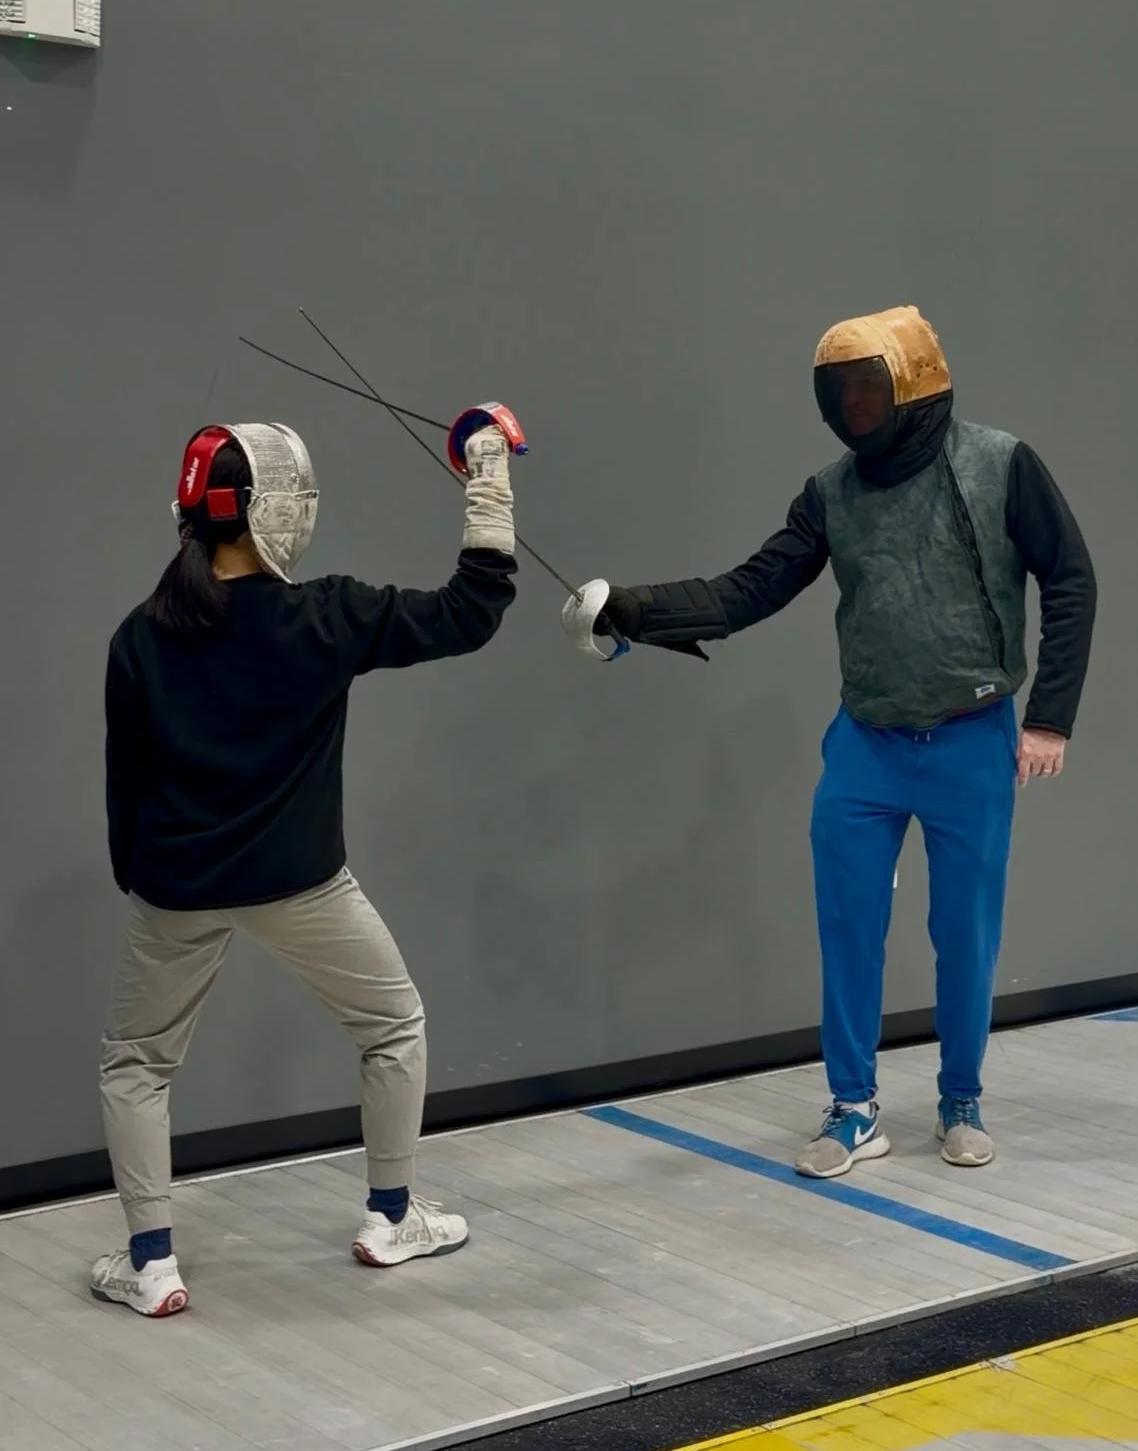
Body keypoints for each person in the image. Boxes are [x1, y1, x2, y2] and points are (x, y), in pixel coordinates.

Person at [564, 305, 1096, 1180]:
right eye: (840, 393)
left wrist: (1050, 717)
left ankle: (961, 1098)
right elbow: (749, 589)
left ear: (912, 387)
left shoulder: (1001, 463)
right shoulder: (831, 493)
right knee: (848, 923)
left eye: (866, 390)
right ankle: (853, 1107)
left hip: (972, 739)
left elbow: (1070, 577)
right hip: (866, 743)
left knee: (965, 932)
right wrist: (633, 607)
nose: (853, 407)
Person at [95, 414, 517, 1316]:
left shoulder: (140, 635)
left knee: (137, 1062)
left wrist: (150, 882)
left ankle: (152, 1265)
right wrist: (488, 478)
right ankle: (390, 1217)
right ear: (277, 509)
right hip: (303, 884)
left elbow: (123, 788)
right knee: (393, 1028)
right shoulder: (327, 615)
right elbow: (470, 610)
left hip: (176, 887)